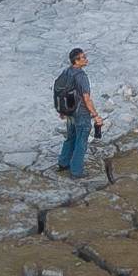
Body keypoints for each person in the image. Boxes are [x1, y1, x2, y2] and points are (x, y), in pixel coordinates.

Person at [53, 47, 104, 179]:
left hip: (69, 112)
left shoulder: (66, 72)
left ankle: (63, 163)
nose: (86, 60)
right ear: (76, 61)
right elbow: (86, 99)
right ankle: (76, 171)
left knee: (70, 137)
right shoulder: (81, 77)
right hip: (81, 113)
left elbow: (60, 91)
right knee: (81, 141)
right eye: (83, 57)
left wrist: (62, 110)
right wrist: (95, 115)